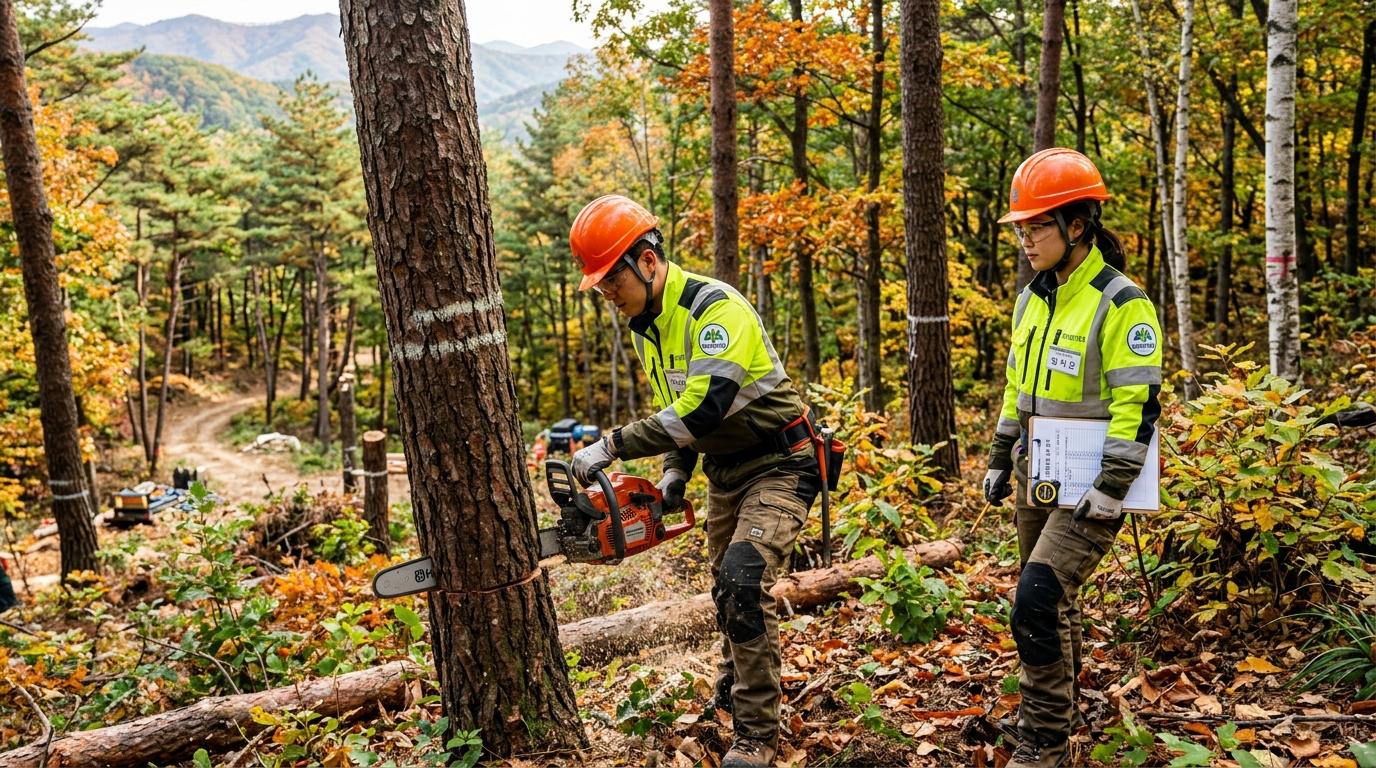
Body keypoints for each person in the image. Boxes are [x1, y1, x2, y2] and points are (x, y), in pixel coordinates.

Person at [568, 195, 821, 768]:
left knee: (743, 576)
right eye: (599, 282)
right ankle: (733, 690)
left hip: (781, 461)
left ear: (648, 260)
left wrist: (611, 446)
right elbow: (675, 411)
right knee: (726, 588)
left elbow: (705, 408)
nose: (606, 291)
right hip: (726, 472)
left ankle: (758, 733)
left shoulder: (715, 309)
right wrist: (674, 473)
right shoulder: (645, 328)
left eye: (612, 277)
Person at [982, 148, 1163, 768]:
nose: (1026, 240)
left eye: (1036, 226)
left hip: (1098, 479)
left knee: (1036, 595)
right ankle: (1055, 710)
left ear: (1076, 225)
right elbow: (1016, 387)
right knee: (1053, 600)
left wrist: (1114, 485)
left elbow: (1138, 402)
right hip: (1041, 469)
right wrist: (1001, 454)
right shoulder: (1034, 297)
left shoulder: (1122, 303)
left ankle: (1047, 742)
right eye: (1022, 228)